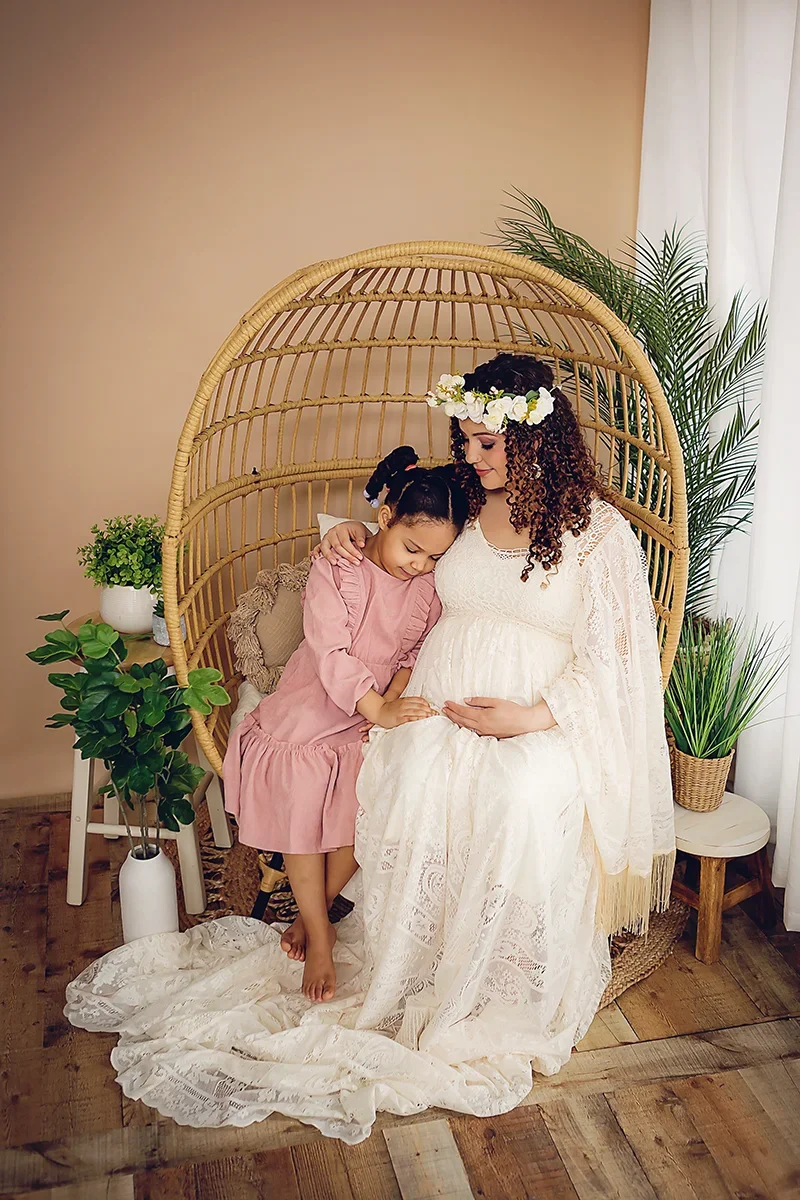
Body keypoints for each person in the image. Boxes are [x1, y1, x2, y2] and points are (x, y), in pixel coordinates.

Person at [66, 352, 673, 1144]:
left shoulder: (596, 531)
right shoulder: (456, 502)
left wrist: (531, 717)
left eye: (492, 444)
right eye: (468, 441)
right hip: (427, 701)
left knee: (520, 797)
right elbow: (395, 540)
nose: (476, 458)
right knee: (411, 778)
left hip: (538, 714)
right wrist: (350, 533)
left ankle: (493, 978)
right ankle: (395, 951)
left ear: (541, 436)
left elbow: (618, 659)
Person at [223, 446, 467, 1001]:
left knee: (373, 788)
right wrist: (375, 707)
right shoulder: (338, 567)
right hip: (319, 698)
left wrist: (393, 701)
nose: (419, 565)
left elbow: (414, 656)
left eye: (434, 557)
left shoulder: (429, 588)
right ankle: (323, 939)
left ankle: (313, 920)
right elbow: (329, 650)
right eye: (412, 548)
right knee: (306, 792)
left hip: (374, 708)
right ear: (385, 518)